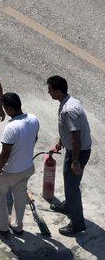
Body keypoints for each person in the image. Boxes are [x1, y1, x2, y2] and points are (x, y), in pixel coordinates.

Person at [47, 75, 92, 236]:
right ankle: (68, 206)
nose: (48, 92)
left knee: (72, 188)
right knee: (69, 183)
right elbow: (67, 130)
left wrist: (74, 161)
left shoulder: (69, 110)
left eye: (50, 90)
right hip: (73, 149)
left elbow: (76, 137)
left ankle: (78, 224)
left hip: (77, 152)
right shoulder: (69, 101)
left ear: (58, 91)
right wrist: (60, 142)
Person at [0, 93, 39, 237]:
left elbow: (5, 154)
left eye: (4, 107)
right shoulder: (34, 119)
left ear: (10, 109)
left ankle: (2, 227)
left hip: (9, 172)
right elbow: (34, 138)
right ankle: (17, 226)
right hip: (26, 168)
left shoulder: (11, 127)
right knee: (20, 197)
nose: (3, 109)